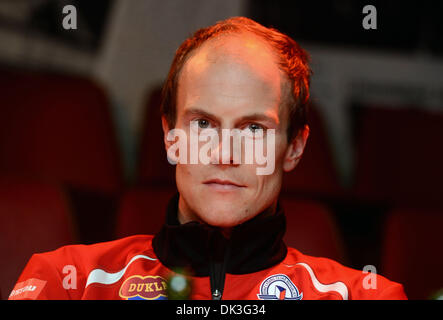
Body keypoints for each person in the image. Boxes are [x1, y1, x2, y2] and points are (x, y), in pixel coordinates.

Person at [9, 17, 406, 300]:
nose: (226, 154)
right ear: (170, 137)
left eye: (254, 129)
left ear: (295, 148)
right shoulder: (69, 282)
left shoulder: (365, 296)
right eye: (203, 123)